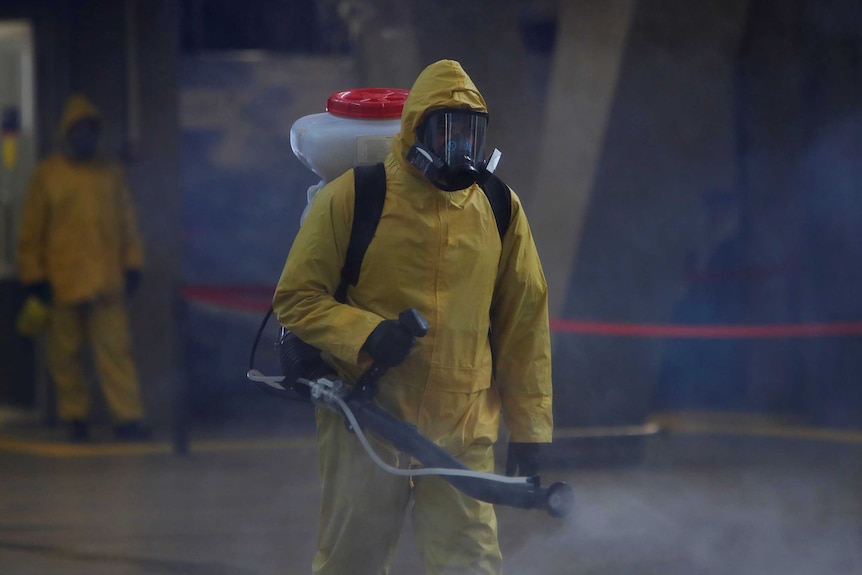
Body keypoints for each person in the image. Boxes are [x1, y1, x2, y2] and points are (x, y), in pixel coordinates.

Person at [273, 60, 553, 575]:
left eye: (470, 133)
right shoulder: (356, 197)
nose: (460, 148)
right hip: (367, 416)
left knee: (469, 564)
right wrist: (366, 334)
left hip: (463, 428)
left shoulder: (498, 208)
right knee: (351, 562)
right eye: (445, 131)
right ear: (415, 130)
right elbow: (295, 298)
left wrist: (531, 429)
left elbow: (524, 323)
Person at [17, 93, 150, 442]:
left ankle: (128, 419)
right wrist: (35, 278)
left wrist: (133, 264)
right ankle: (76, 418)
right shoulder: (48, 176)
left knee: (116, 354)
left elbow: (127, 224)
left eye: (90, 130)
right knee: (65, 358)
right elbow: (31, 233)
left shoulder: (110, 175)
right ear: (67, 133)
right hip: (61, 283)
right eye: (79, 130)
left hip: (107, 283)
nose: (85, 137)